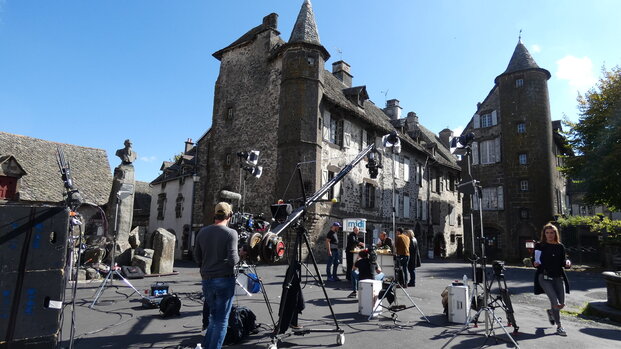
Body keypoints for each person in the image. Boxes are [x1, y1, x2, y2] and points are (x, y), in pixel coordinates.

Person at [194, 202, 242, 349]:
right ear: (230, 216)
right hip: (224, 280)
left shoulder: (202, 232)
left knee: (213, 317)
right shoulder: (231, 233)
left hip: (207, 280)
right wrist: (241, 254)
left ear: (214, 215)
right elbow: (233, 260)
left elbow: (197, 257)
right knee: (221, 320)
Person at [533, 223, 571, 337]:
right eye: (547, 233)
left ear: (555, 233)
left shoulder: (560, 246)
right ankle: (559, 326)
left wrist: (567, 263)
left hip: (558, 277)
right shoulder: (540, 246)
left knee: (562, 304)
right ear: (544, 234)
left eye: (552, 232)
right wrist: (534, 263)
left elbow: (564, 261)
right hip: (544, 277)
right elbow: (534, 260)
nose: (550, 235)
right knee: (555, 302)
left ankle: (551, 312)